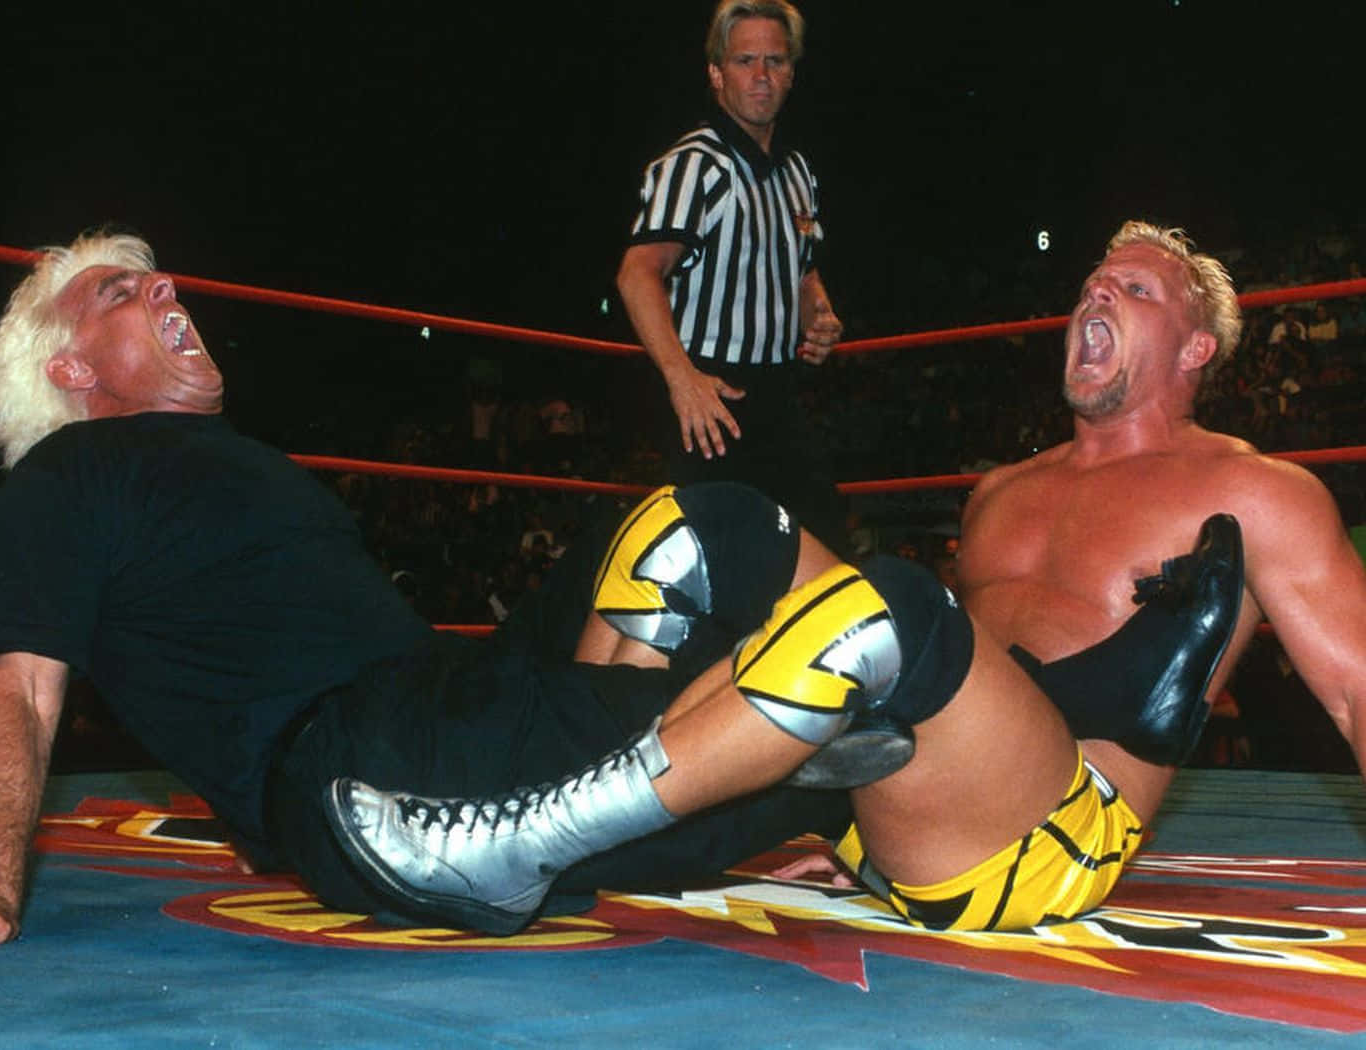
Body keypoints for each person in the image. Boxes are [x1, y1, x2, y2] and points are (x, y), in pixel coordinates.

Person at [326, 221, 1366, 936]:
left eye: (1134, 290)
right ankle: (580, 811)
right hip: (910, 823)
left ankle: (523, 843)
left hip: (1047, 847)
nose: (1096, 291)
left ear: (1195, 349)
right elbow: (943, 701)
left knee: (893, 606)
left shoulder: (1257, 493)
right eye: (1094, 280)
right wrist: (838, 820)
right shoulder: (1001, 492)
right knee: (696, 523)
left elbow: (1356, 689)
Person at [0, 229, 853, 951]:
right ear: (70, 370)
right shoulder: (66, 472)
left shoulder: (241, 460)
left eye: (154, 279)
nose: (163, 288)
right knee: (850, 675)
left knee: (706, 521)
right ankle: (796, 770)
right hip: (368, 755)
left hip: (445, 700)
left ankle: (740, 792)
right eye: (118, 294)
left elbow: (234, 650)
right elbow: (23, 687)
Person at [616, 0, 845, 548]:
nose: (761, 76)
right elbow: (636, 273)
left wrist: (818, 311)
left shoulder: (796, 171)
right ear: (717, 74)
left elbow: (801, 267)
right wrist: (683, 379)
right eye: (745, 61)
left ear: (791, 73)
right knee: (721, 568)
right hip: (713, 395)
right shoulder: (695, 164)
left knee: (824, 551)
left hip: (780, 396)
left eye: (775, 60)